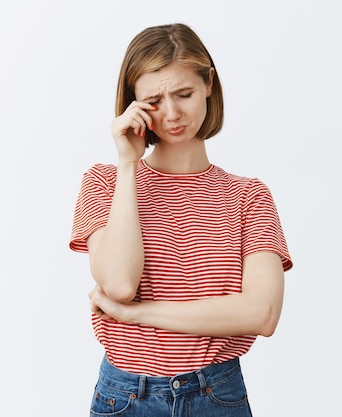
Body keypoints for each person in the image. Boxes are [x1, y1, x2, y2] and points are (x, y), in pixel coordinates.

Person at [69, 23, 292, 416]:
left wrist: (135, 315)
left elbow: (262, 313)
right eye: (153, 100)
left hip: (217, 394)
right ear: (132, 104)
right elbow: (120, 284)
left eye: (184, 93)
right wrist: (127, 164)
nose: (172, 113)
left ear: (209, 83)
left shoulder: (248, 196)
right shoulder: (104, 183)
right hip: (126, 398)